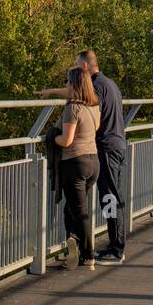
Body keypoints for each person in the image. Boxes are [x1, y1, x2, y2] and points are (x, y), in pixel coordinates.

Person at [39, 49, 127, 264]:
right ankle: (82, 242)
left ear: (84, 67)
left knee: (109, 197)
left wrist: (52, 92)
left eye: (77, 66)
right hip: (115, 144)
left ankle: (116, 247)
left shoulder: (95, 87)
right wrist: (51, 91)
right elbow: (77, 92)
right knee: (102, 197)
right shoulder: (109, 83)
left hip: (104, 148)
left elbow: (79, 96)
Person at [54, 66, 101, 270]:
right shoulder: (93, 106)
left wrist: (50, 137)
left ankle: (88, 255)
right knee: (72, 208)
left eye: (67, 82)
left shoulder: (72, 108)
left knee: (80, 212)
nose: (65, 85)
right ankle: (73, 239)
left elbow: (66, 140)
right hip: (93, 162)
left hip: (75, 163)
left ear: (73, 85)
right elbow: (95, 129)